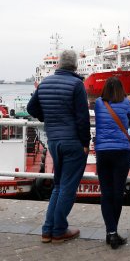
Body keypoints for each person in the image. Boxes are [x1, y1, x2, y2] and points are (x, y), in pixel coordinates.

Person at [27, 50, 90, 243]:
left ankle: (48, 230)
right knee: (68, 188)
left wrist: (48, 118)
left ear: (58, 64)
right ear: (75, 65)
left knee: (58, 185)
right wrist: (85, 143)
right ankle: (59, 230)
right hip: (73, 142)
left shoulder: (44, 83)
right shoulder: (77, 84)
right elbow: (82, 117)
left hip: (53, 141)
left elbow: (31, 108)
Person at [94, 77, 130, 249]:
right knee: (118, 193)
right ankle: (113, 233)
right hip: (121, 151)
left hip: (103, 152)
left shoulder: (98, 103)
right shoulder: (126, 102)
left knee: (106, 193)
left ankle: (110, 232)